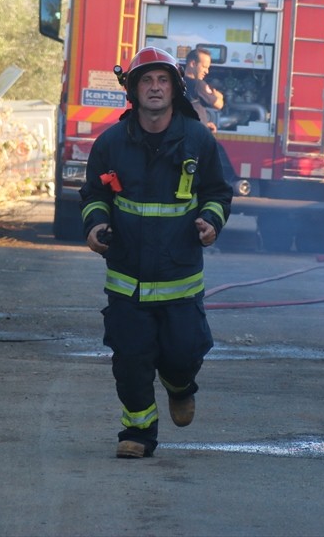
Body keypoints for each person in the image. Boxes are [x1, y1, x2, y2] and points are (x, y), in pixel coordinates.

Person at [80, 45, 233, 459]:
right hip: (126, 279)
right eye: (145, 79)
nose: (154, 87)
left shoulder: (198, 139)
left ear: (175, 88)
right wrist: (96, 224)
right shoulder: (111, 143)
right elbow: (94, 193)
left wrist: (210, 221)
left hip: (180, 280)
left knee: (182, 355)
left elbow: (218, 191)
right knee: (130, 360)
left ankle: (181, 386)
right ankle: (138, 432)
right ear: (132, 89)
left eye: (162, 79)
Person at [183, 48, 224, 130]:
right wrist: (219, 96)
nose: (207, 71)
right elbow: (219, 105)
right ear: (193, 64)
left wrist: (205, 124)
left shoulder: (176, 81)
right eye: (204, 67)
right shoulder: (198, 85)